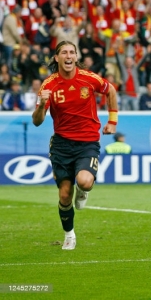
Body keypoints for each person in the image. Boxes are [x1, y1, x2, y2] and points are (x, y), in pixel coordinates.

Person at [32, 40, 118, 250]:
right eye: (64, 52)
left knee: (85, 181)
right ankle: (69, 234)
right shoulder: (49, 85)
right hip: (61, 144)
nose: (68, 56)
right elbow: (37, 121)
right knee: (64, 194)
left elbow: (111, 91)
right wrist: (42, 104)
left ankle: (83, 190)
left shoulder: (88, 79)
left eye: (72, 52)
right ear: (57, 58)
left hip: (87, 141)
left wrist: (112, 121)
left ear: (76, 57)